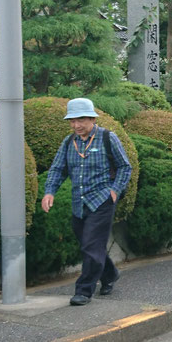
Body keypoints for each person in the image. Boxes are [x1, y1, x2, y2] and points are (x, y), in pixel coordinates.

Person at [42, 98, 132, 306]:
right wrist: (49, 192)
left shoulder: (108, 138)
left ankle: (83, 290)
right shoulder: (68, 142)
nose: (76, 125)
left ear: (92, 118)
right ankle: (109, 275)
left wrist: (114, 191)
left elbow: (124, 167)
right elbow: (57, 169)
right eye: (72, 121)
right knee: (89, 245)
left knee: (91, 246)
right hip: (78, 202)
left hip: (101, 201)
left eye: (81, 120)